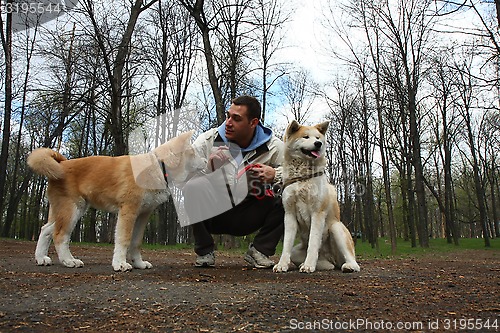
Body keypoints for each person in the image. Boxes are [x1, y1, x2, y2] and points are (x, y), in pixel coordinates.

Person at [182, 95, 284, 268]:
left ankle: (260, 250)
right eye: (228, 116)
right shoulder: (208, 140)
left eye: (236, 119)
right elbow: (184, 180)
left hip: (250, 216)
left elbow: (301, 173)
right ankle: (204, 251)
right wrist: (208, 167)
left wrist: (275, 174)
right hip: (214, 214)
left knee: (288, 196)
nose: (228, 122)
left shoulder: (273, 146)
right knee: (194, 185)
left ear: (253, 123)